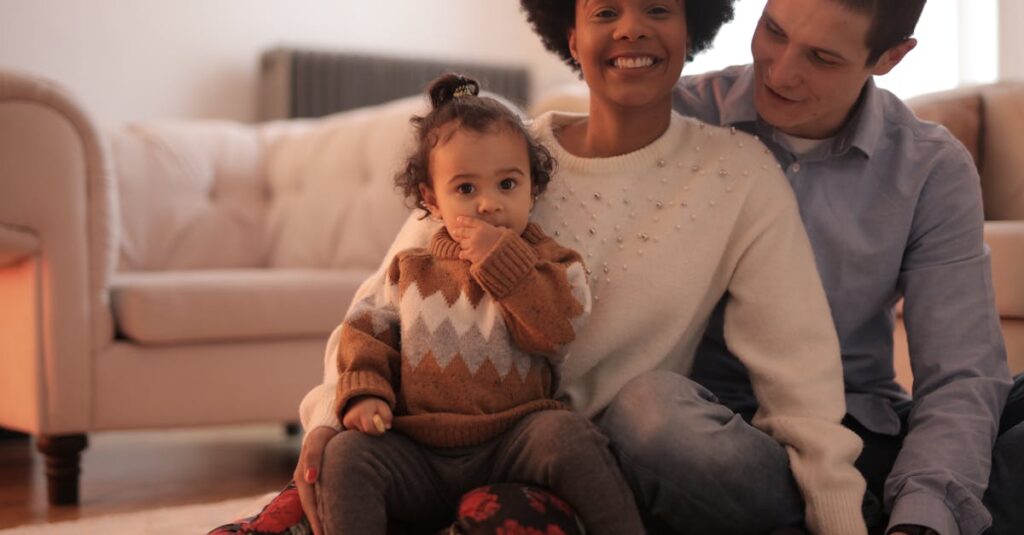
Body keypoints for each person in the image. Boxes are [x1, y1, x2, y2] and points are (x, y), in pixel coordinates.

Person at [296, 0, 870, 533]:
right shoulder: (498, 158)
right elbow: (378, 307)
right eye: (605, 10)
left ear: (689, 26)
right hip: (469, 454)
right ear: (571, 35)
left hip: (616, 457)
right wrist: (330, 417)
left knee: (652, 411)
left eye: (657, 8)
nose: (631, 28)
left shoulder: (740, 174)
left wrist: (840, 515)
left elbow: (800, 376)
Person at [658, 0, 1024, 534]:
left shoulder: (930, 167)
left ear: (891, 58)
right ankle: (858, 514)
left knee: (977, 410)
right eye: (773, 31)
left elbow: (960, 372)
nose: (780, 72)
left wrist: (921, 514)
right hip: (715, 429)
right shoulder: (674, 118)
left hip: (860, 430)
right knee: (650, 415)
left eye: (822, 58)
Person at [300, 73, 645, 535]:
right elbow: (366, 332)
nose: (488, 204)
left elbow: (555, 330)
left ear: (532, 189)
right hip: (419, 449)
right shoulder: (411, 269)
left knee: (570, 436)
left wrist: (501, 260)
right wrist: (365, 393)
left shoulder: (552, 264)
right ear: (431, 199)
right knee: (347, 455)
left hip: (513, 440)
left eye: (507, 184)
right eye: (466, 189)